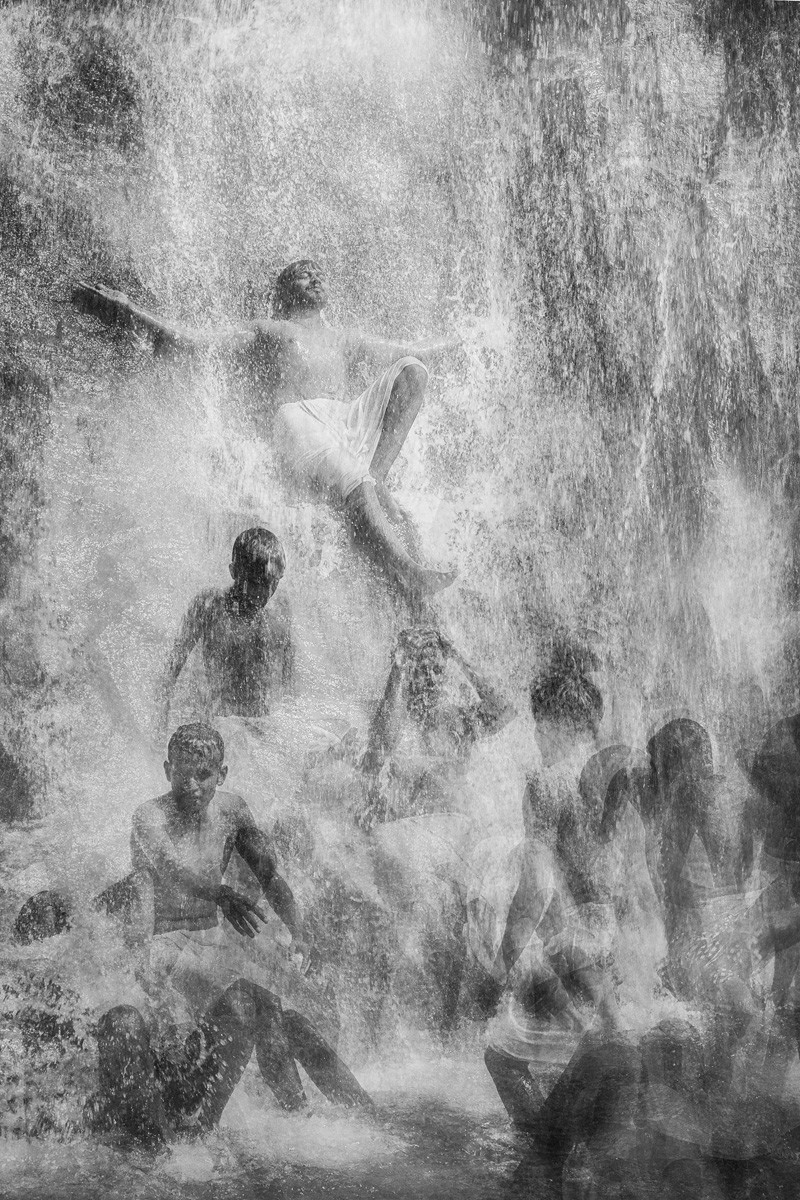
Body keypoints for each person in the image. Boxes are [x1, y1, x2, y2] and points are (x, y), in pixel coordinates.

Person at [72, 260, 461, 600]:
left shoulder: (344, 338)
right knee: (356, 481)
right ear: (283, 293)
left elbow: (417, 348)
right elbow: (195, 344)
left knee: (412, 368)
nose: (313, 277)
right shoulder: (271, 330)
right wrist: (128, 309)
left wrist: (469, 337)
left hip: (344, 419)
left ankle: (375, 478)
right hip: (299, 418)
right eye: (301, 275)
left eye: (317, 273)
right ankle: (407, 571)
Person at [98, 721, 371, 1144]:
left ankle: (326, 1116)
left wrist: (299, 930)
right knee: (253, 1009)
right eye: (183, 772)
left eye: (203, 775)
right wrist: (220, 893)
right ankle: (196, 1125)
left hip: (211, 941)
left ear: (221, 775)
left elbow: (269, 874)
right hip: (162, 943)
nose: (192, 784)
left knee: (280, 1016)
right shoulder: (149, 816)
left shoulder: (232, 810)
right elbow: (168, 871)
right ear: (167, 769)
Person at [601, 719, 757, 1084]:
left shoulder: (653, 788)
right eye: (700, 764)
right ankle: (698, 1077)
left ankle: (699, 1074)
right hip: (665, 919)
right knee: (727, 1008)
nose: (706, 772)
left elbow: (720, 869)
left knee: (724, 1007)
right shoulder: (640, 784)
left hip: (676, 919)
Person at [356, 625, 516, 827]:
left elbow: (505, 710)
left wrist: (458, 657)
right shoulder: (384, 719)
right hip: (402, 833)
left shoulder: (455, 721)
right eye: (424, 669)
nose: (433, 679)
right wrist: (399, 668)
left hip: (453, 830)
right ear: (407, 671)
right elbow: (382, 746)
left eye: (438, 670)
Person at [159, 526, 294, 725]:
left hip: (261, 727)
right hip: (217, 723)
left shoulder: (277, 621)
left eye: (272, 583)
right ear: (233, 572)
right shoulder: (209, 607)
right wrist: (159, 724)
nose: (265, 592)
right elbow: (172, 669)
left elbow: (289, 687)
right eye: (256, 583)